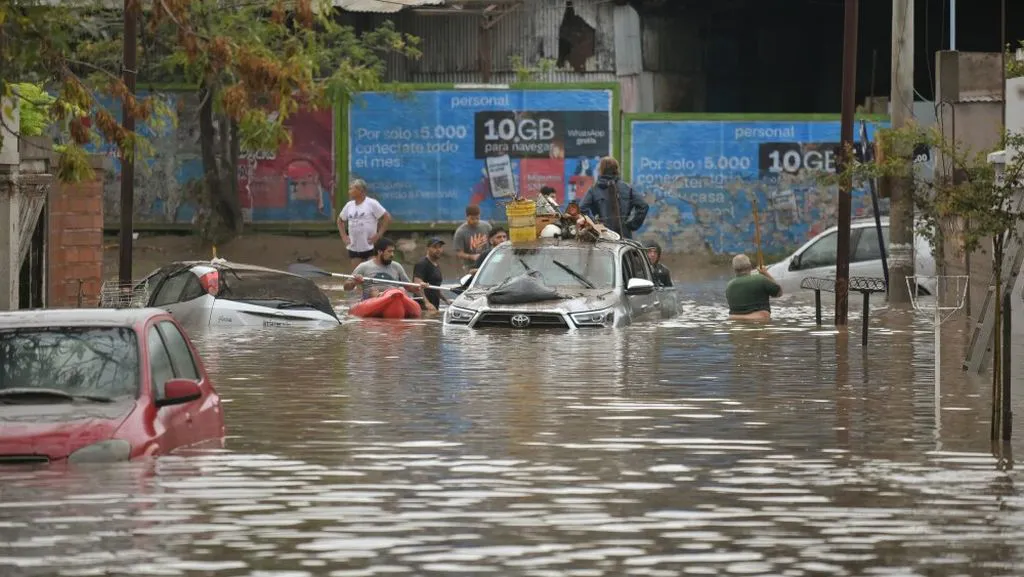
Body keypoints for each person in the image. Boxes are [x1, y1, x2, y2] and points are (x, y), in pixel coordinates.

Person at [578, 156, 648, 239]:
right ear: (616, 169)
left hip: (602, 235)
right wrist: (631, 225)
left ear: (601, 169)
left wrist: (595, 224)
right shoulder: (627, 188)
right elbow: (643, 205)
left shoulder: (594, 189)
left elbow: (581, 208)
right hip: (624, 236)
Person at [344, 237, 426, 301]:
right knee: (373, 291)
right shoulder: (364, 266)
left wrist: (419, 286)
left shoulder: (397, 266)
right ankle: (382, 298)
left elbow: (409, 287)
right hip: (372, 299)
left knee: (401, 289)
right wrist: (355, 282)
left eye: (393, 251)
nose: (392, 255)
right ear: (380, 252)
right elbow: (346, 287)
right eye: (389, 251)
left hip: (394, 296)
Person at [337, 179, 391, 271]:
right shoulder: (349, 205)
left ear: (360, 190)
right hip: (354, 247)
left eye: (351, 189)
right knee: (357, 276)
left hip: (370, 246)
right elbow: (340, 220)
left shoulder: (371, 203)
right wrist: (344, 236)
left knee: (372, 274)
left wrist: (379, 235)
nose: (349, 191)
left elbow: (387, 217)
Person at [725, 254, 782, 321]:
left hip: (735, 321)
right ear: (750, 266)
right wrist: (765, 273)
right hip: (759, 320)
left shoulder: (729, 285)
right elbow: (779, 292)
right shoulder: (761, 279)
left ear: (734, 269)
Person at [412, 237, 446, 313]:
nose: (438, 250)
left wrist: (446, 300)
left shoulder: (436, 265)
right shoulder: (422, 264)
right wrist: (427, 303)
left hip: (434, 305)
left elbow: (436, 288)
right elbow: (417, 284)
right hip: (423, 307)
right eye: (435, 247)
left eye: (440, 247)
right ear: (427, 249)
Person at [453, 205, 492, 270]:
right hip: (470, 266)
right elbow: (459, 253)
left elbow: (493, 242)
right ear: (467, 217)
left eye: (477, 218)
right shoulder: (460, 232)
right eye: (472, 219)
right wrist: (471, 257)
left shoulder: (487, 227)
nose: (475, 221)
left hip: (487, 264)